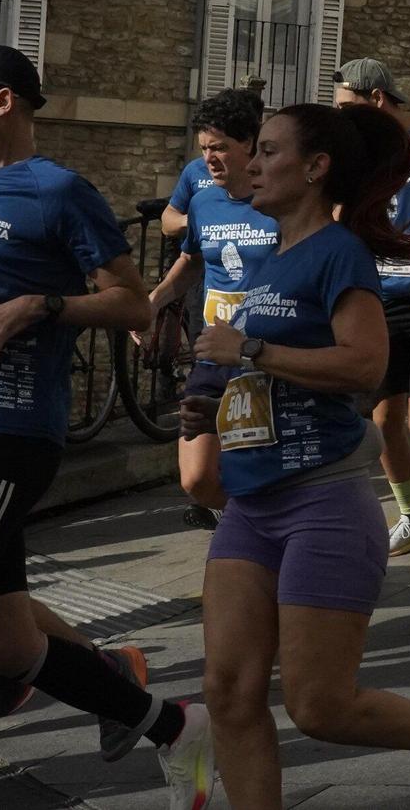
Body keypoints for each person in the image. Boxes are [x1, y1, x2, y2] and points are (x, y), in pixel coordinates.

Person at [187, 100, 410, 809]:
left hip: (323, 501)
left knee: (320, 705)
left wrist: (250, 347)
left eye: (269, 150)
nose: (252, 161)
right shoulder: (274, 254)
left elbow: (365, 365)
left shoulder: (338, 251)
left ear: (315, 168)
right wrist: (218, 392)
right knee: (227, 690)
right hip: (252, 502)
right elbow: (277, 365)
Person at [0, 46, 218, 806]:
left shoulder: (56, 192)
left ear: (3, 100)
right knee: (5, 641)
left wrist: (38, 306)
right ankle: (169, 722)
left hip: (8, 432)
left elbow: (133, 303)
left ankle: (144, 701)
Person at [331, 58, 410, 557]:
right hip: (377, 298)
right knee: (385, 419)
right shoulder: (356, 151)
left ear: (375, 99)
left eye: (346, 107)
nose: (339, 118)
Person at [144, 88, 276, 519]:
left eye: (218, 148)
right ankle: (249, 524)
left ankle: (255, 536)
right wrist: (152, 303)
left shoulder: (280, 202)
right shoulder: (202, 202)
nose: (209, 159)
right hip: (212, 356)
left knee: (260, 473)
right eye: (204, 149)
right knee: (196, 478)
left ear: (249, 145)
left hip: (268, 358)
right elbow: (191, 261)